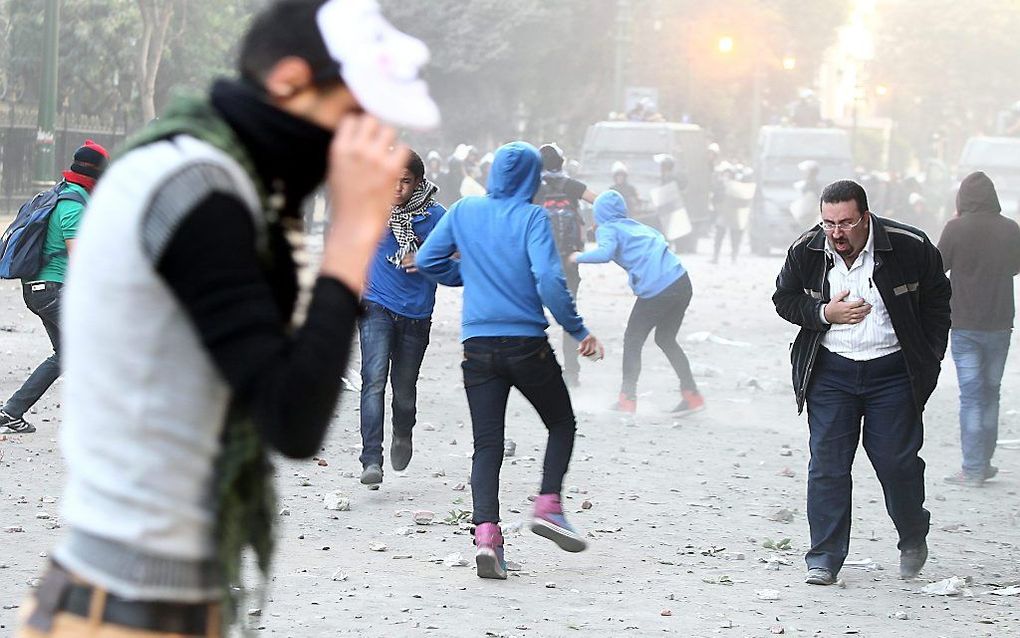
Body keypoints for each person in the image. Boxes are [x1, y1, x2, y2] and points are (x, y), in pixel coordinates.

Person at [15, 1, 437, 636]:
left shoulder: (194, 170)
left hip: (131, 591)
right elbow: (292, 417)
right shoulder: (202, 192)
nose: (357, 145)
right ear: (291, 81)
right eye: (352, 117)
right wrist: (352, 234)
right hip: (133, 607)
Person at [416, 141, 604, 581]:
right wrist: (578, 330)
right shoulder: (532, 217)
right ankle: (549, 506)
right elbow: (550, 280)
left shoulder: (464, 211)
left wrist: (464, 274)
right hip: (526, 345)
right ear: (533, 179)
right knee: (560, 424)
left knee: (488, 444)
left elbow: (427, 259)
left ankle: (487, 537)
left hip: (477, 348)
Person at [773, 180, 951, 587]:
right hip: (832, 373)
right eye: (828, 223)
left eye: (846, 223)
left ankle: (912, 535)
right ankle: (824, 558)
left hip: (893, 374)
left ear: (865, 218)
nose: (836, 233)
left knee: (896, 462)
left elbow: (939, 301)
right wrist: (823, 313)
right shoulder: (807, 249)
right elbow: (783, 299)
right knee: (828, 467)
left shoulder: (910, 245)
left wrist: (930, 357)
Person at [357, 150, 459, 485]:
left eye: (405, 181)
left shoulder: (435, 216)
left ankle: (403, 432)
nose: (397, 188)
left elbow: (459, 257)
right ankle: (371, 458)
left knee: (403, 390)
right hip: (375, 305)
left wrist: (427, 259)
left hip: (416, 314)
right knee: (373, 381)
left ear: (418, 183)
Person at [0, 140, 109, 435]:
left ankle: (11, 412)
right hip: (52, 291)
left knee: (67, 354)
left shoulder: (62, 195)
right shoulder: (73, 206)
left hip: (39, 290)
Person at [569, 190, 703, 415]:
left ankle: (626, 400)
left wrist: (576, 257)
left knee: (632, 340)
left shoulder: (608, 228)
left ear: (599, 214)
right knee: (666, 339)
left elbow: (605, 253)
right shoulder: (634, 226)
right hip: (681, 281)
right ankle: (692, 396)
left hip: (658, 288)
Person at [937, 172, 1020, 486]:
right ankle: (983, 463)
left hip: (965, 324)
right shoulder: (1010, 228)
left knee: (972, 396)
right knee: (991, 394)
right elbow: (1015, 267)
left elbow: (937, 266)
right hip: (1000, 324)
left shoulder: (956, 228)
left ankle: (972, 468)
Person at [534, 142, 596, 387]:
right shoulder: (571, 186)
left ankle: (538, 369)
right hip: (569, 262)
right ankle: (572, 374)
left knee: (533, 317)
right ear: (562, 162)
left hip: (540, 263)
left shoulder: (533, 189)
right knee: (569, 316)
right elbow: (599, 201)